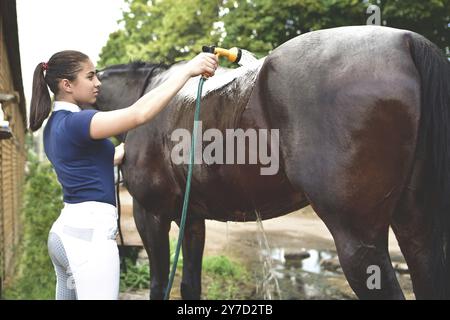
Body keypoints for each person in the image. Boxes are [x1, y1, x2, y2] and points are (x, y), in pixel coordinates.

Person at [29, 50, 218, 300]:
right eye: (90, 76)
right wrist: (186, 70)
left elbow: (94, 161)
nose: (98, 83)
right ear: (67, 85)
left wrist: (130, 151)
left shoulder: (55, 125)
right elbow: (139, 114)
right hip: (90, 243)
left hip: (64, 236)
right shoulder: (80, 122)